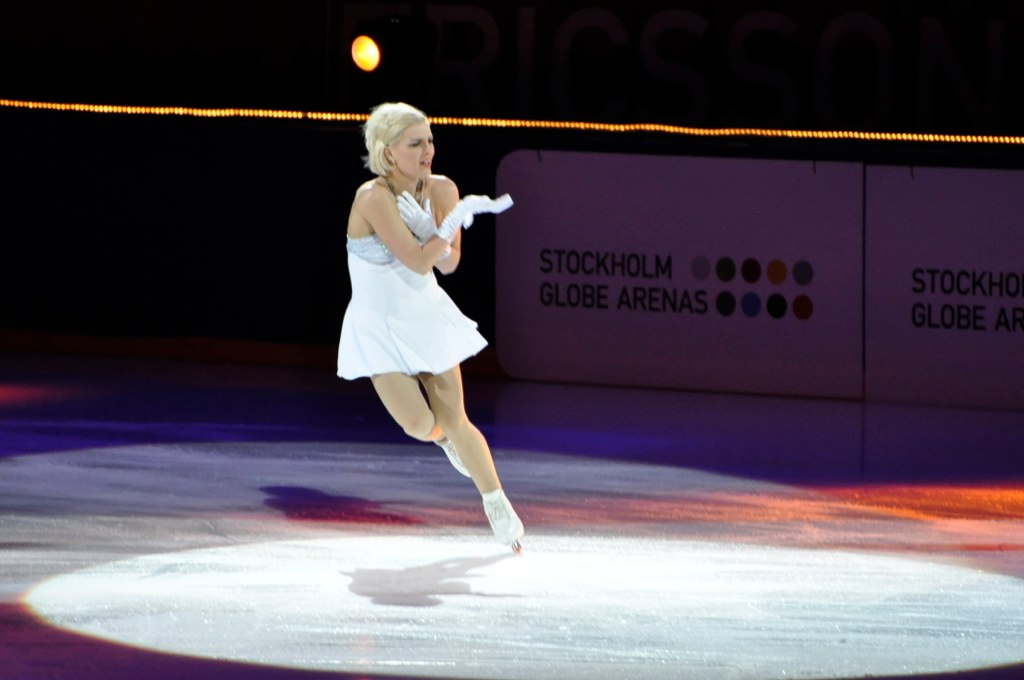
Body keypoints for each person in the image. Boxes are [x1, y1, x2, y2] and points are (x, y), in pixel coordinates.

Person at [337, 102, 524, 553]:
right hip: (379, 324)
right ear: (388, 153)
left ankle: (498, 506)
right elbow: (421, 260)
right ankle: (441, 440)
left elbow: (451, 263)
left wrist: (442, 224)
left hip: (424, 315)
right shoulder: (372, 198)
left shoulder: (442, 188)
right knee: (421, 424)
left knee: (457, 418)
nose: (428, 151)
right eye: (416, 143)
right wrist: (450, 223)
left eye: (430, 140)